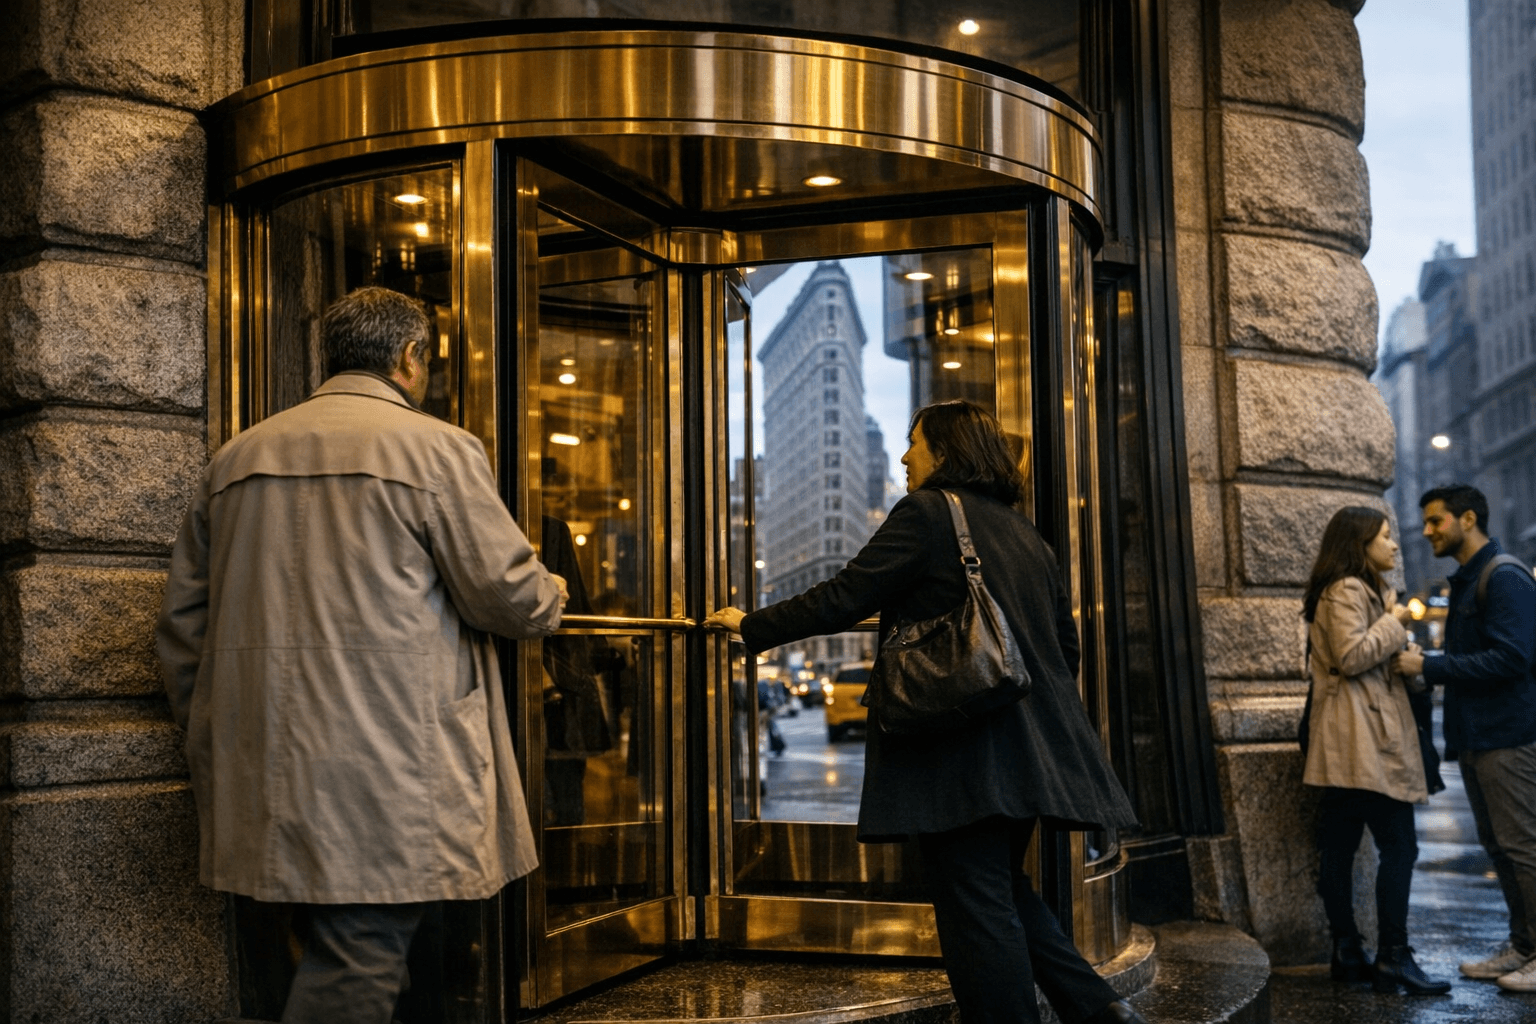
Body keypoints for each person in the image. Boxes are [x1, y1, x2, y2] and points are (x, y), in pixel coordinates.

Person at [156, 286, 567, 1023]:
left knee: (297, 952)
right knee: (362, 954)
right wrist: (555, 589)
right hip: (387, 763)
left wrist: (213, 731)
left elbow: (185, 626)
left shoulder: (235, 459)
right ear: (411, 357)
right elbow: (512, 598)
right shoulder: (436, 449)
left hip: (258, 755)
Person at [705, 400, 1143, 1024]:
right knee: (1002, 889)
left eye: (915, 443)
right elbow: (1063, 649)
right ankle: (1102, 1009)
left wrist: (751, 625)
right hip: (1032, 754)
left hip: (961, 752)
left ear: (948, 449)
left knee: (977, 909)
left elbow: (846, 594)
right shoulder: (1026, 534)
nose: (906, 457)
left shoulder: (929, 513)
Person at [1300, 506, 1448, 995]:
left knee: (1340, 849)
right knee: (1400, 847)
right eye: (1385, 537)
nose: (1395, 545)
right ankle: (1392, 956)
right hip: (1362, 742)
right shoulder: (1346, 589)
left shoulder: (1360, 590)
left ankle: (1348, 952)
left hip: (1354, 740)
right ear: (1358, 544)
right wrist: (1396, 621)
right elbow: (1352, 654)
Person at [1396, 484, 1536, 992]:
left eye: (1436, 522)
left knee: (1523, 847)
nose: (1428, 531)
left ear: (1468, 518)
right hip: (1479, 737)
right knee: (1500, 847)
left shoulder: (1504, 579)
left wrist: (1430, 666)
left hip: (1509, 735)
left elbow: (1512, 659)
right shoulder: (1470, 579)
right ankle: (1523, 946)